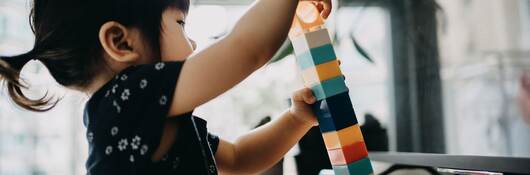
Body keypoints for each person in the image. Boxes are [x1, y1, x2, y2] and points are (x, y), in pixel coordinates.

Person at [0, 0, 332, 174]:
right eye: (180, 24)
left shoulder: (138, 119)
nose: (194, 42)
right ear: (120, 42)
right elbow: (246, 50)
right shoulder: (126, 100)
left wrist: (296, 120)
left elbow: (239, 158)